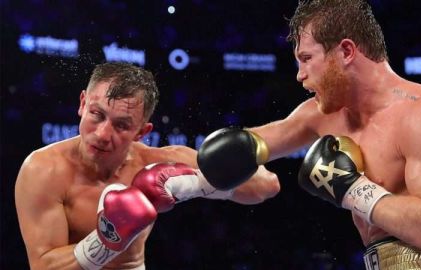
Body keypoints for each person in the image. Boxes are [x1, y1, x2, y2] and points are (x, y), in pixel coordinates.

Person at [196, 0, 421, 269]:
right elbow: (235, 151)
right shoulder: (322, 114)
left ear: (346, 51)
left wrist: (350, 188)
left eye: (306, 59)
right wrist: (167, 167)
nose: (300, 75)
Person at [14, 62, 280, 270]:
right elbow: (43, 264)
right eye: (97, 114)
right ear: (83, 104)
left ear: (142, 131)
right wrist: (107, 241)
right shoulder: (44, 169)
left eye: (122, 125)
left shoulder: (158, 161)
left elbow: (266, 186)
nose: (103, 134)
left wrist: (191, 184)